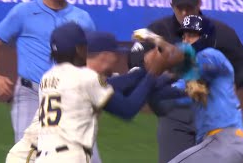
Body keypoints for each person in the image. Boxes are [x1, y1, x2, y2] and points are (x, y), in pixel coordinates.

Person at [127, 0, 243, 162]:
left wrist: (237, 82)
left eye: (189, 7)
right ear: (172, 6)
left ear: (199, 4)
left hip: (215, 122)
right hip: (177, 114)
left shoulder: (217, 37)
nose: (185, 12)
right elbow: (138, 58)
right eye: (180, 8)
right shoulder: (161, 27)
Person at [0, 0, 105, 162]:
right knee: (28, 156)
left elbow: (93, 55)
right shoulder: (23, 12)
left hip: (71, 96)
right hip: (30, 94)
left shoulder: (82, 18)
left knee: (89, 156)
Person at [35, 25, 179, 162]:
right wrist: (153, 71)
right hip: (71, 157)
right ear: (79, 49)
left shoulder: (47, 78)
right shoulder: (87, 78)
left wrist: (145, 73)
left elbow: (114, 85)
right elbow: (127, 109)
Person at [150, 14, 243, 163]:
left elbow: (199, 65)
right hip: (231, 147)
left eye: (191, 36)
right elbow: (171, 93)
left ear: (205, 37)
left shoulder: (212, 56)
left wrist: (167, 54)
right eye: (184, 37)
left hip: (222, 143)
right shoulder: (189, 76)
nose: (186, 41)